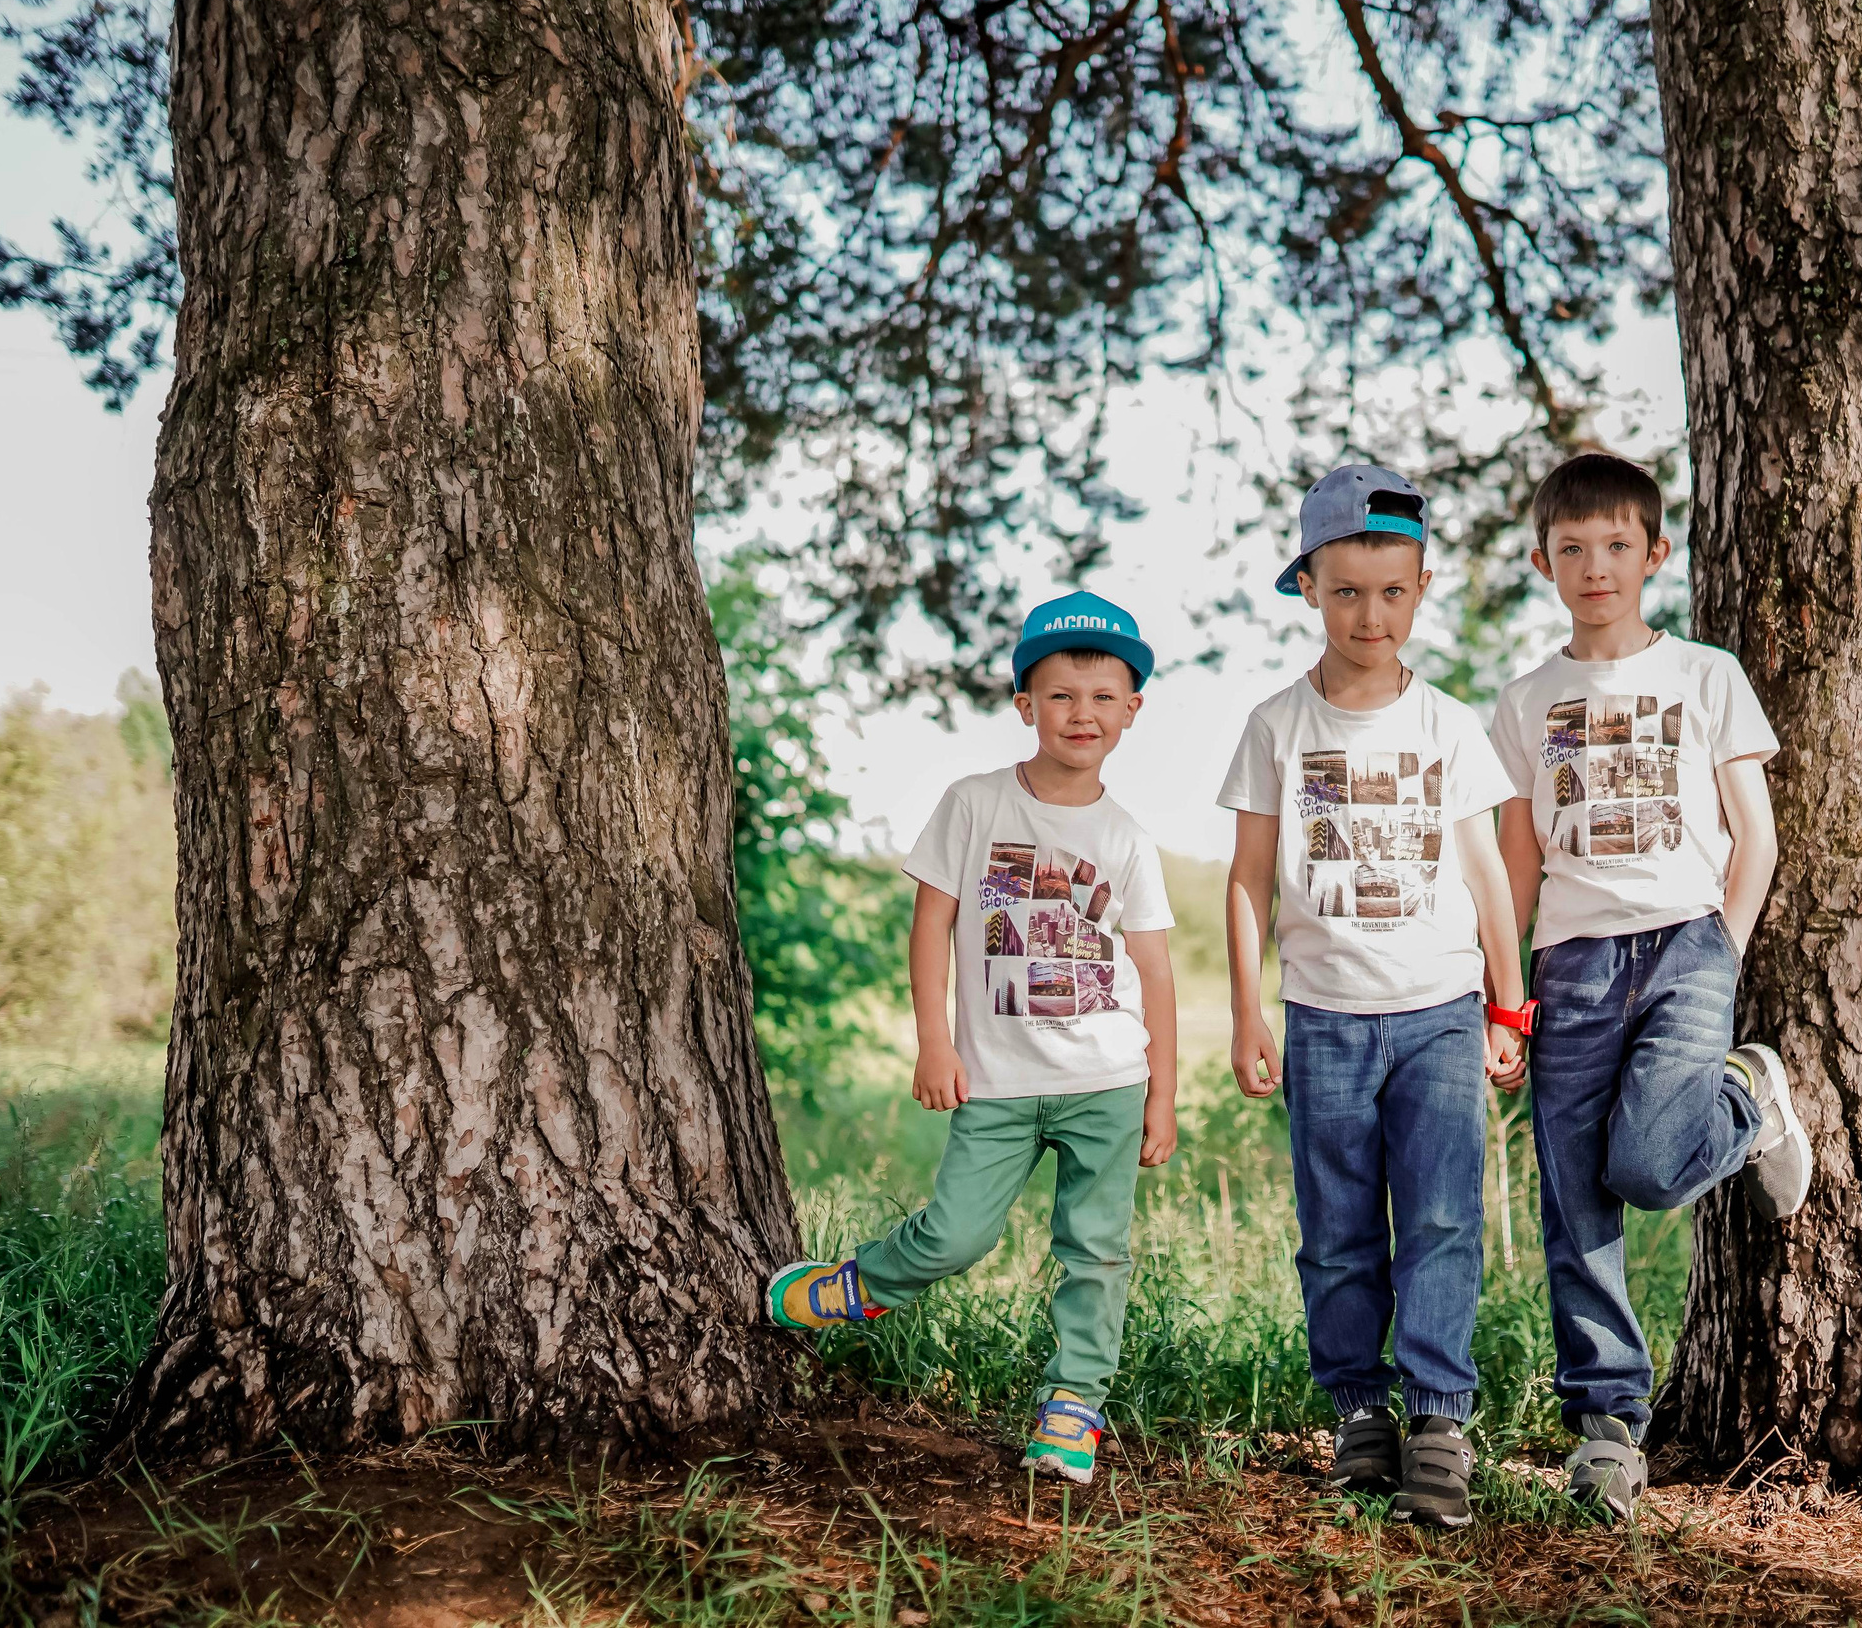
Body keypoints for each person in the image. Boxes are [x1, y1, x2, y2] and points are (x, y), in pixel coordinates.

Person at [763, 591, 1179, 1486]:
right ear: (1025, 704)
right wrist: (934, 1039)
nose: (1083, 713)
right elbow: (932, 924)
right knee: (957, 1234)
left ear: (1133, 712)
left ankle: (1073, 1405)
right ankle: (860, 1285)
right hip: (994, 1079)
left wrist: (1162, 1091)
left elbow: (1156, 972)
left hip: (1107, 1079)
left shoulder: (1128, 839)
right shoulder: (974, 804)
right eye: (1062, 695)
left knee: (1095, 1249)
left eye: (1105, 697)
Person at [1490, 451, 1809, 1521]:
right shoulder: (1527, 700)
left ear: (1654, 555)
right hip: (1570, 964)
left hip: (1685, 947)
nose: (1595, 566)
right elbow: (1517, 862)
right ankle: (1607, 1427)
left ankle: (1746, 1103)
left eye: (1616, 546)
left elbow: (1753, 836)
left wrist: (1720, 945)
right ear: (1543, 562)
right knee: (1575, 1199)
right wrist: (1506, 990)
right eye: (1572, 549)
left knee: (1646, 1165)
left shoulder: (1705, 676)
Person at [1218, 465, 1531, 1530]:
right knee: (1337, 1228)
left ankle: (1439, 1423)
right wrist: (1248, 1011)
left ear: (1422, 588)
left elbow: (1488, 874)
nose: (1369, 614)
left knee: (1441, 1218)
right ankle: (1361, 1413)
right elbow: (1247, 878)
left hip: (1441, 1011)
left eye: (1391, 591)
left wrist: (1507, 1004)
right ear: (1306, 585)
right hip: (1321, 1017)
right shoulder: (1275, 726)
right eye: (1345, 590)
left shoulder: (1447, 724)